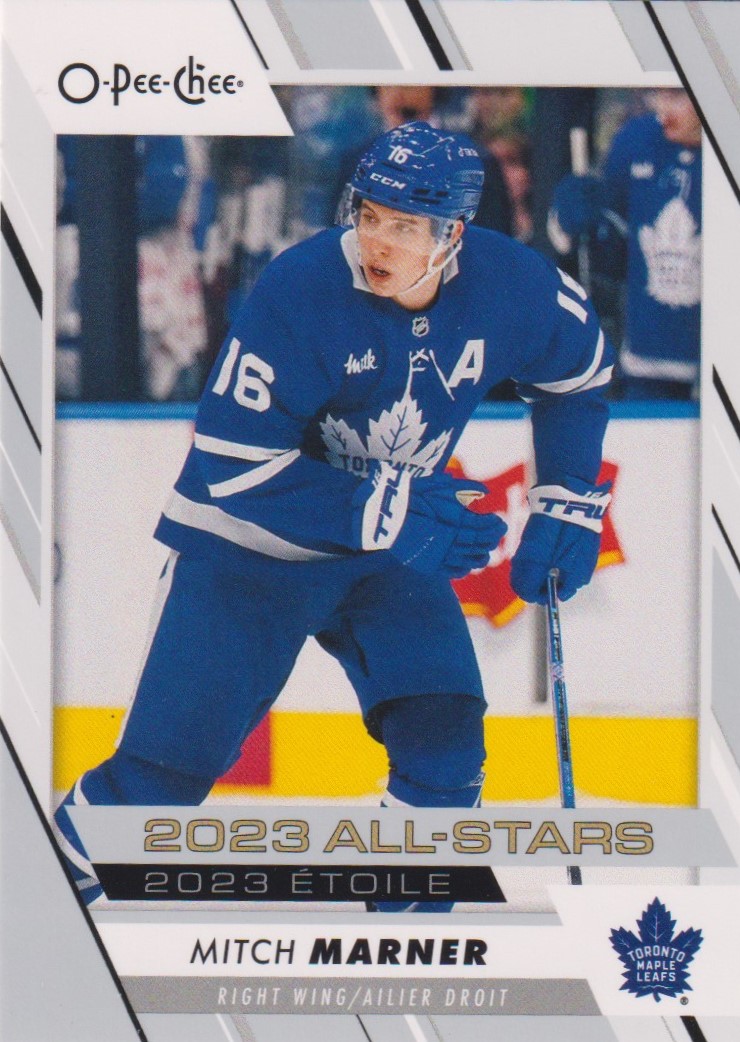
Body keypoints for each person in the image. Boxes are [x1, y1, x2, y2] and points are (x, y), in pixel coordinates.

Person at [55, 122, 613, 911]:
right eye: (369, 214)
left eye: (405, 226)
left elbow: (579, 374)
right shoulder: (301, 288)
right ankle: (44, 900)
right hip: (247, 547)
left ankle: (405, 939)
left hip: (384, 551)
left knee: (446, 753)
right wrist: (389, 510)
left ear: (454, 234)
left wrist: (568, 501)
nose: (377, 240)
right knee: (157, 785)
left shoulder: (514, 286)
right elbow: (233, 461)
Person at [548, 88, 701, 399]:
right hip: (648, 365)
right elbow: (609, 252)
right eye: (659, 94)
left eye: (676, 95)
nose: (662, 109)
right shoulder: (637, 139)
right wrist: (570, 219)